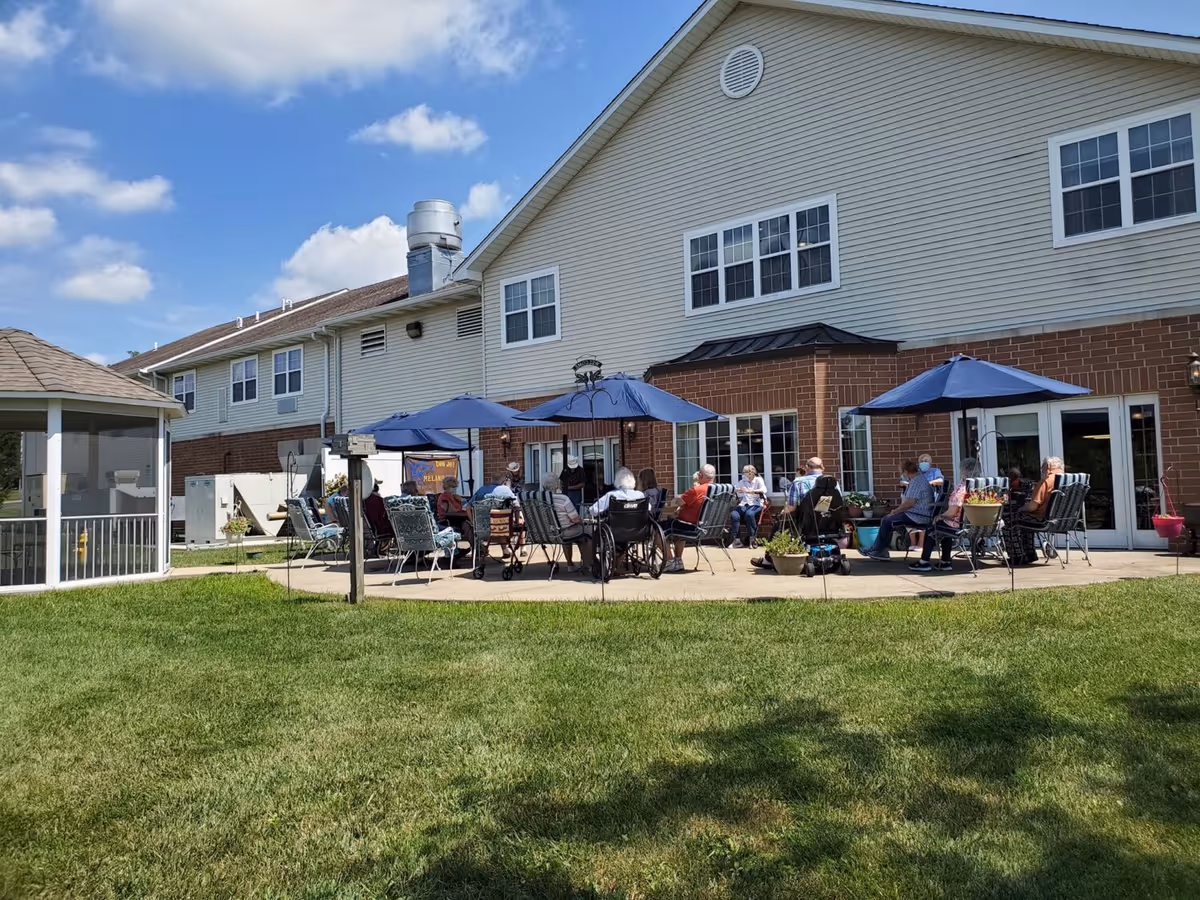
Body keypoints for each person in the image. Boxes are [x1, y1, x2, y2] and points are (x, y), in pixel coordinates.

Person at [909, 457, 980, 572]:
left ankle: (924, 562)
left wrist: (940, 516)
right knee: (943, 525)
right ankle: (945, 562)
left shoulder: (962, 489)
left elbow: (952, 513)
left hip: (960, 525)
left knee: (933, 526)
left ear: (964, 472)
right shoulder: (980, 487)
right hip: (977, 524)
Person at [859, 459, 933, 560]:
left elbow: (909, 503)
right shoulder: (918, 479)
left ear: (906, 472)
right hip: (918, 513)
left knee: (887, 520)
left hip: (918, 515)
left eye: (902, 472)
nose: (902, 475)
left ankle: (878, 550)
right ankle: (879, 549)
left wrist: (895, 511)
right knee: (888, 520)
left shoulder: (917, 481)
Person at [662, 464, 715, 573]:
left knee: (658, 529)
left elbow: (678, 501)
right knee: (676, 527)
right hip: (710, 527)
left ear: (700, 475)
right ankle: (678, 561)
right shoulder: (715, 489)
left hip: (693, 527)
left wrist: (671, 503)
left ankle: (670, 561)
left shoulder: (697, 490)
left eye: (699, 473)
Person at [539, 472, 587, 572]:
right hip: (563, 532)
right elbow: (575, 519)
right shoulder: (563, 499)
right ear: (557, 484)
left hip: (547, 533)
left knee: (565, 532)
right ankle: (587, 563)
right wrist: (583, 521)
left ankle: (570, 564)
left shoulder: (539, 499)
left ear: (543, 485)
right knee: (586, 531)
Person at [729, 464, 767, 548]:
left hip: (756, 503)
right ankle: (737, 540)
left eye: (745, 472)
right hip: (744, 503)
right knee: (734, 514)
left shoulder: (758, 480)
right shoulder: (742, 481)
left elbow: (764, 490)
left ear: (751, 473)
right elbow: (735, 489)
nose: (743, 474)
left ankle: (752, 539)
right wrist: (737, 490)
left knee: (749, 514)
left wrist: (751, 491)